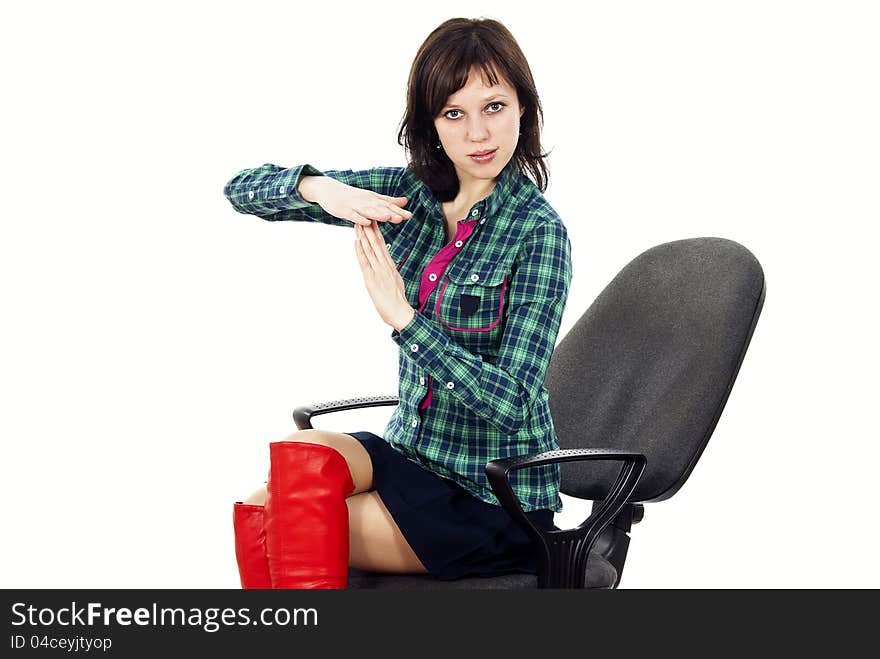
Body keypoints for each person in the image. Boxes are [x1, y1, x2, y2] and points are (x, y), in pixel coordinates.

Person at [223, 16, 572, 589]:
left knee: (282, 518)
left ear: (523, 109)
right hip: (411, 457)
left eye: (494, 107)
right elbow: (242, 189)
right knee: (295, 459)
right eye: (454, 114)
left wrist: (406, 321)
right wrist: (322, 190)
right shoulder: (407, 193)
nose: (478, 134)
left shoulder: (537, 232)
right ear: (431, 124)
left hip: (489, 497)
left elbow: (512, 402)